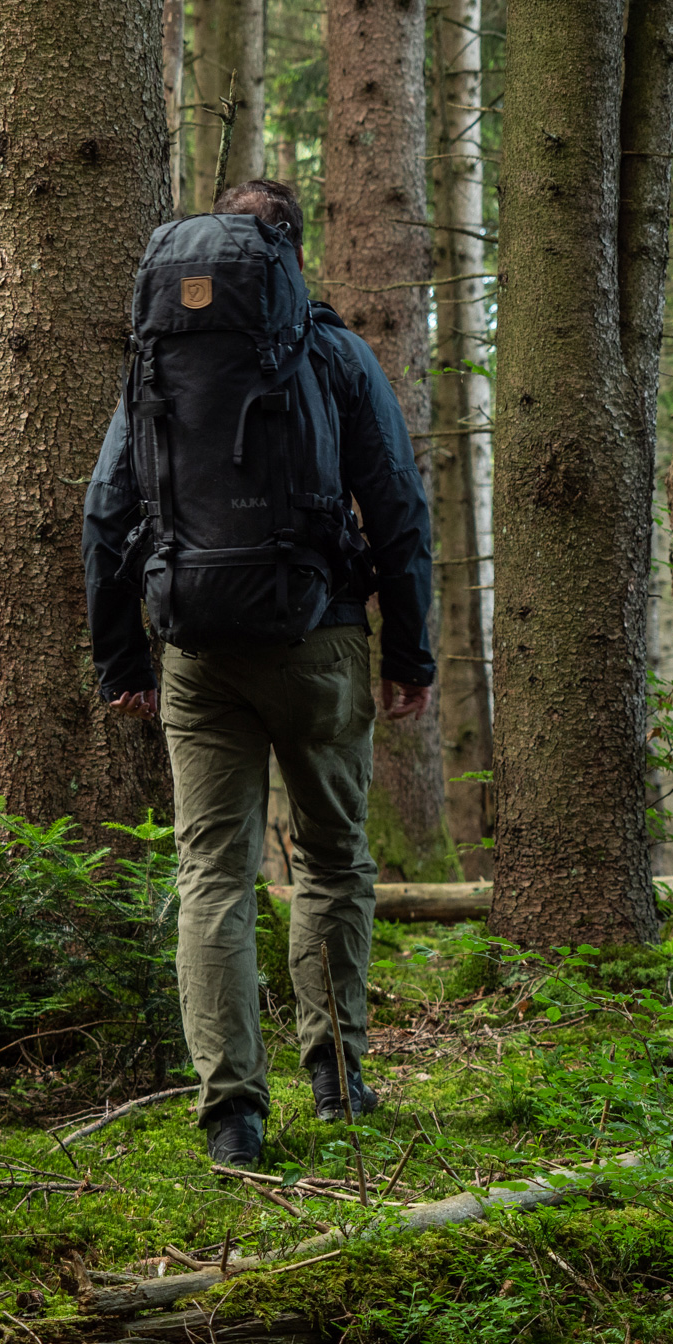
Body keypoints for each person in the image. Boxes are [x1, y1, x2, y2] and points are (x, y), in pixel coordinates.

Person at [82, 180, 435, 1170]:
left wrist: (121, 657)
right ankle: (335, 1080)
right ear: (289, 255)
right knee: (329, 861)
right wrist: (407, 652)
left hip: (193, 652)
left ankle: (232, 1116)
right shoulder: (329, 351)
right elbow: (396, 503)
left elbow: (103, 515)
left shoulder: (158, 363)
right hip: (317, 639)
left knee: (211, 880)